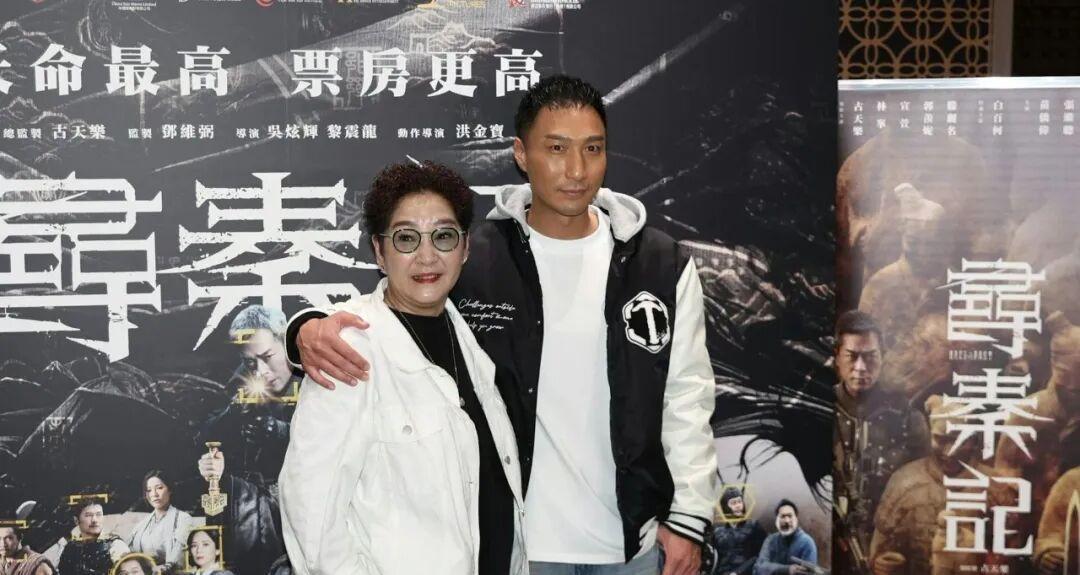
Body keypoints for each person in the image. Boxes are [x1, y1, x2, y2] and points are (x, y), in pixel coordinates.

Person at [286, 75, 717, 575]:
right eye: (556, 148)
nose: (576, 170)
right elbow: (390, 309)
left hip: (631, 544)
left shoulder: (658, 265)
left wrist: (688, 519)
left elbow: (687, 397)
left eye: (592, 148)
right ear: (520, 153)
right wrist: (303, 331)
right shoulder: (480, 259)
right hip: (522, 546)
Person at [279, 161, 524, 575]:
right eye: (406, 238)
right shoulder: (350, 346)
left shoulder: (467, 336)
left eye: (443, 236)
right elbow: (310, 509)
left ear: (465, 248)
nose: (427, 256)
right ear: (380, 251)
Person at [194, 306, 299, 575]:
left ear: (285, 341)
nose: (261, 371)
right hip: (253, 515)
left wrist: (277, 431)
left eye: (267, 357)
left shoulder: (315, 375)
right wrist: (233, 413)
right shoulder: (242, 380)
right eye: (251, 363)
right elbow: (204, 436)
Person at [831, 310, 929, 574]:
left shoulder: (907, 417)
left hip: (891, 549)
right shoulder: (816, 410)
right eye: (852, 356)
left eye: (870, 357)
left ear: (883, 357)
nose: (861, 367)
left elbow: (923, 490)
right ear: (836, 357)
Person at [126, 471, 193, 575]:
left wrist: (165, 568)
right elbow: (130, 553)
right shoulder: (142, 525)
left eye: (159, 488)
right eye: (149, 490)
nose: (154, 494)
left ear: (169, 490)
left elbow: (178, 552)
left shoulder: (183, 519)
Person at [57, 497, 130, 575]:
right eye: (88, 515)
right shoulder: (69, 548)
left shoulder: (116, 546)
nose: (94, 520)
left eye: (98, 514)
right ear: (76, 520)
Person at [708, 487, 766, 575]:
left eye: (740, 501)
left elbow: (761, 555)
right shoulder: (718, 532)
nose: (738, 506)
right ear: (725, 507)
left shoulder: (753, 526)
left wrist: (738, 572)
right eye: (733, 503)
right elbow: (714, 560)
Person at [753, 500, 817, 575]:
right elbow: (759, 568)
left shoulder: (807, 542)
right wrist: (787, 570)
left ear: (796, 519)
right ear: (777, 520)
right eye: (782, 516)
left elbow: (808, 573)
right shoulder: (770, 540)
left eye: (790, 516)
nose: (786, 521)